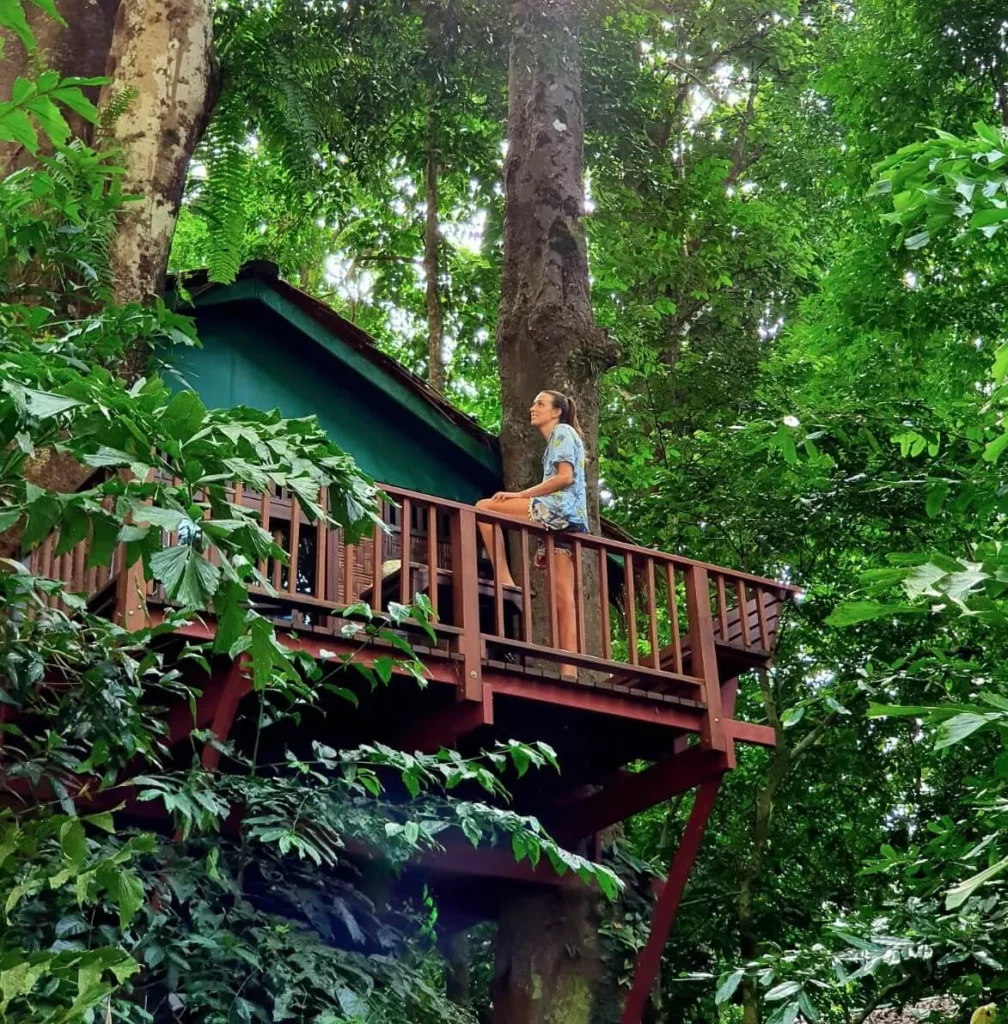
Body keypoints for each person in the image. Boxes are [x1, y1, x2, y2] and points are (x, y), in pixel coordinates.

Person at [475, 390, 588, 680]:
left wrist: (520, 494)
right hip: (571, 519)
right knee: (564, 597)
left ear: (556, 411)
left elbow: (565, 477)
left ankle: (504, 579)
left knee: (485, 508)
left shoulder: (562, 432)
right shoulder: (561, 438)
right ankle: (570, 671)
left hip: (560, 510)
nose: (532, 407)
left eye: (539, 403)